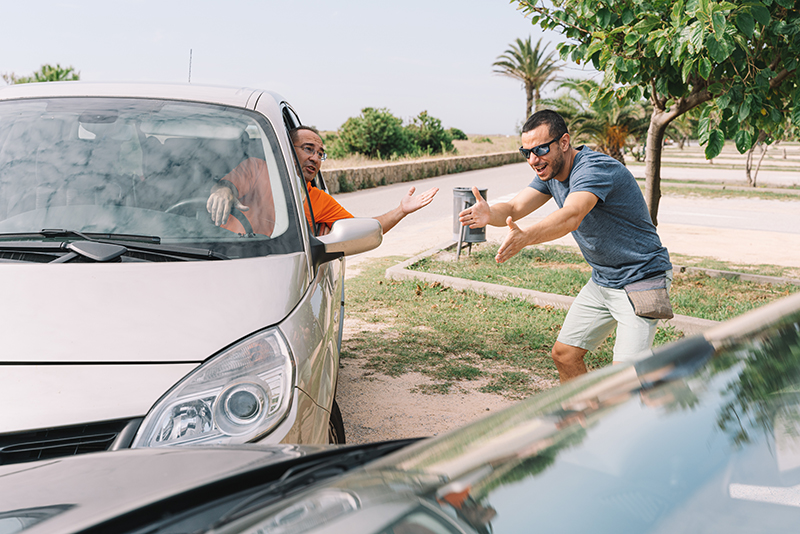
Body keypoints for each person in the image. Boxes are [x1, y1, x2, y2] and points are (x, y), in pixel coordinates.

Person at [459, 110, 672, 383]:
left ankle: (665, 405)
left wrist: (527, 237)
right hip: (604, 279)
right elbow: (514, 207)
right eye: (527, 153)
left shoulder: (593, 168)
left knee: (625, 378)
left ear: (563, 142)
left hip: (641, 279)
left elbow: (572, 215)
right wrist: (490, 214)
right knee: (565, 355)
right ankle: (584, 421)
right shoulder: (550, 173)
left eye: (540, 149)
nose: (534, 160)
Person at [206, 126, 439, 236]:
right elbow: (228, 186)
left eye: (320, 154)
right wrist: (224, 192)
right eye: (309, 149)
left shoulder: (317, 199)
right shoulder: (257, 168)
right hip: (222, 254)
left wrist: (401, 210)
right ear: (286, 149)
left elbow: (360, 230)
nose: (315, 158)